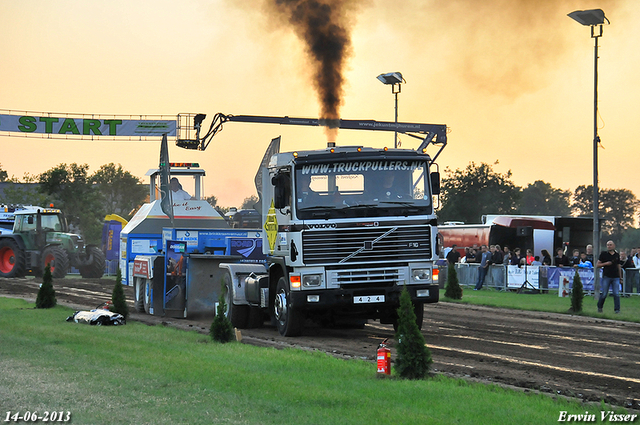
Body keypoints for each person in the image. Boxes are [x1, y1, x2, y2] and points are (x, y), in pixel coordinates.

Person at [596, 240, 621, 314]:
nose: (609, 246)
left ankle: (617, 310)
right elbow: (597, 265)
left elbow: (618, 266)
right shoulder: (603, 254)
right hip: (607, 276)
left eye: (610, 245)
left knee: (616, 293)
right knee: (604, 293)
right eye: (608, 245)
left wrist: (620, 277)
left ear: (614, 246)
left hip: (615, 276)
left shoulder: (617, 255)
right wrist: (606, 263)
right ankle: (600, 307)